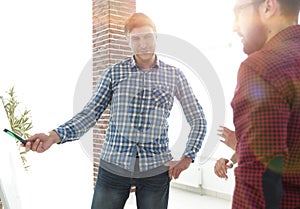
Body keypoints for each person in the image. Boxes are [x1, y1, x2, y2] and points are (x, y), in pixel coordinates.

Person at [25, 13, 207, 209]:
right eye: (136, 39)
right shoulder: (114, 73)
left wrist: (188, 156)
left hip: (155, 169)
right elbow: (90, 114)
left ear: (156, 36)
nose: (143, 43)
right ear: (127, 41)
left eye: (147, 36)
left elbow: (198, 118)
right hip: (114, 166)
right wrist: (53, 136)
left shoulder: (174, 75)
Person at [216, 0, 300, 208]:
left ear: (268, 7)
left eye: (239, 12)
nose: (235, 26)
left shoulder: (262, 67)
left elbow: (260, 182)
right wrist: (245, 145)